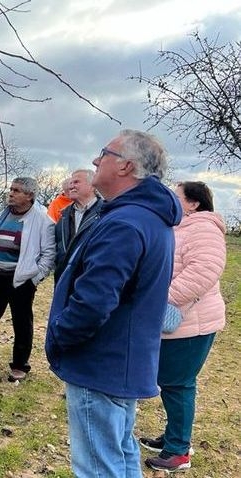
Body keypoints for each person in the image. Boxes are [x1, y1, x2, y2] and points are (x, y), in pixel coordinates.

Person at [46, 130, 182, 477]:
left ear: (127, 167)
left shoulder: (125, 223)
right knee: (119, 456)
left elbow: (94, 302)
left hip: (101, 363)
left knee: (98, 467)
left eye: (103, 153)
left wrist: (61, 333)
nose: (95, 160)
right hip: (121, 360)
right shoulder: (144, 217)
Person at [139, 181, 226, 473]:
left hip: (192, 322)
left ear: (193, 203)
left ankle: (178, 451)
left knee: (178, 384)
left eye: (177, 196)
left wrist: (160, 297)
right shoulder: (182, 226)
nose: (171, 200)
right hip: (178, 321)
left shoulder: (204, 228)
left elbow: (204, 271)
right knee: (170, 381)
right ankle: (173, 436)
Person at [0, 177, 55, 382]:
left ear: (30, 196)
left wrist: (34, 277)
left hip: (20, 280)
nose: (11, 193)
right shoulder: (3, 214)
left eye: (17, 190)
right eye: (11, 189)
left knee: (21, 322)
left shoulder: (43, 221)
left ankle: (20, 365)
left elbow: (49, 255)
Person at [53, 169, 103, 282]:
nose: (71, 187)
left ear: (93, 186)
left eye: (76, 182)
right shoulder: (63, 215)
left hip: (92, 280)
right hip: (63, 280)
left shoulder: (106, 213)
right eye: (70, 183)